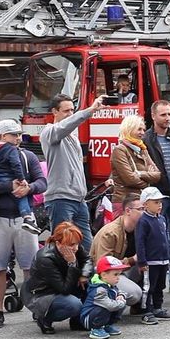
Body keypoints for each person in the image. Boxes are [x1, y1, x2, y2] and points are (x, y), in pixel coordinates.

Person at [0, 118, 46, 329]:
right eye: (14, 134)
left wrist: (29, 188)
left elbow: (42, 181)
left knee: (31, 266)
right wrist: (9, 185)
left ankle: (36, 307)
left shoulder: (28, 156)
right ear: (2, 136)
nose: (18, 139)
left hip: (24, 218)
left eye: (19, 134)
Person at [41, 94, 106, 252]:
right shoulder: (50, 132)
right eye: (66, 111)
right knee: (62, 247)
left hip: (79, 200)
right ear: (54, 112)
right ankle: (59, 276)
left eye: (72, 110)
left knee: (86, 248)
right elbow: (65, 126)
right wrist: (90, 110)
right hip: (60, 199)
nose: (70, 114)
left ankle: (85, 276)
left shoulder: (73, 138)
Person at [144, 100, 170, 294]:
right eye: (163, 115)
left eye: (169, 114)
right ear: (153, 116)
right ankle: (158, 279)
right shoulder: (146, 140)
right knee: (160, 239)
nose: (168, 118)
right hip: (158, 195)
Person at [21, 222, 93, 335]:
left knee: (91, 285)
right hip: (41, 293)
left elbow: (88, 260)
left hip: (64, 283)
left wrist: (84, 275)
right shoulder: (45, 258)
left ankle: (77, 321)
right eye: (71, 245)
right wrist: (72, 264)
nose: (75, 248)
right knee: (74, 305)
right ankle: (44, 319)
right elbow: (64, 289)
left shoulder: (72, 246)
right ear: (58, 243)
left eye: (77, 244)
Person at [90, 193, 143, 310]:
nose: (144, 212)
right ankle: (106, 304)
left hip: (123, 270)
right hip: (105, 275)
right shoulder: (110, 232)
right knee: (135, 294)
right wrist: (132, 260)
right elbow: (102, 266)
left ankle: (139, 306)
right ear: (128, 211)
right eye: (140, 209)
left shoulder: (141, 228)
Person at [135, 187, 170, 323]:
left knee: (160, 285)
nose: (160, 205)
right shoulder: (143, 221)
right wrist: (142, 261)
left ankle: (158, 307)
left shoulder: (162, 219)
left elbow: (167, 238)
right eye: (156, 202)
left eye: (160, 202)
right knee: (148, 287)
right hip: (150, 261)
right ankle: (147, 310)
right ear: (145, 204)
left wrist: (169, 256)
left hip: (163, 260)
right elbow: (140, 242)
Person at [110, 115, 160, 217]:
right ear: (129, 129)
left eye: (143, 130)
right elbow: (130, 179)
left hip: (140, 202)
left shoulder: (142, 149)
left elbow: (158, 175)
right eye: (139, 129)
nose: (142, 133)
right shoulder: (120, 150)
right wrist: (148, 180)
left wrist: (140, 174)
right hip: (124, 203)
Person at [80, 256, 129, 339]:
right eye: (115, 274)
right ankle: (96, 329)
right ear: (104, 275)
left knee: (119, 303)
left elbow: (120, 292)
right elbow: (109, 305)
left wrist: (121, 296)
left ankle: (107, 325)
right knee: (105, 308)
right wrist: (121, 302)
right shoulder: (99, 289)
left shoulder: (110, 285)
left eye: (119, 274)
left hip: (101, 312)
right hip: (88, 319)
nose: (118, 277)